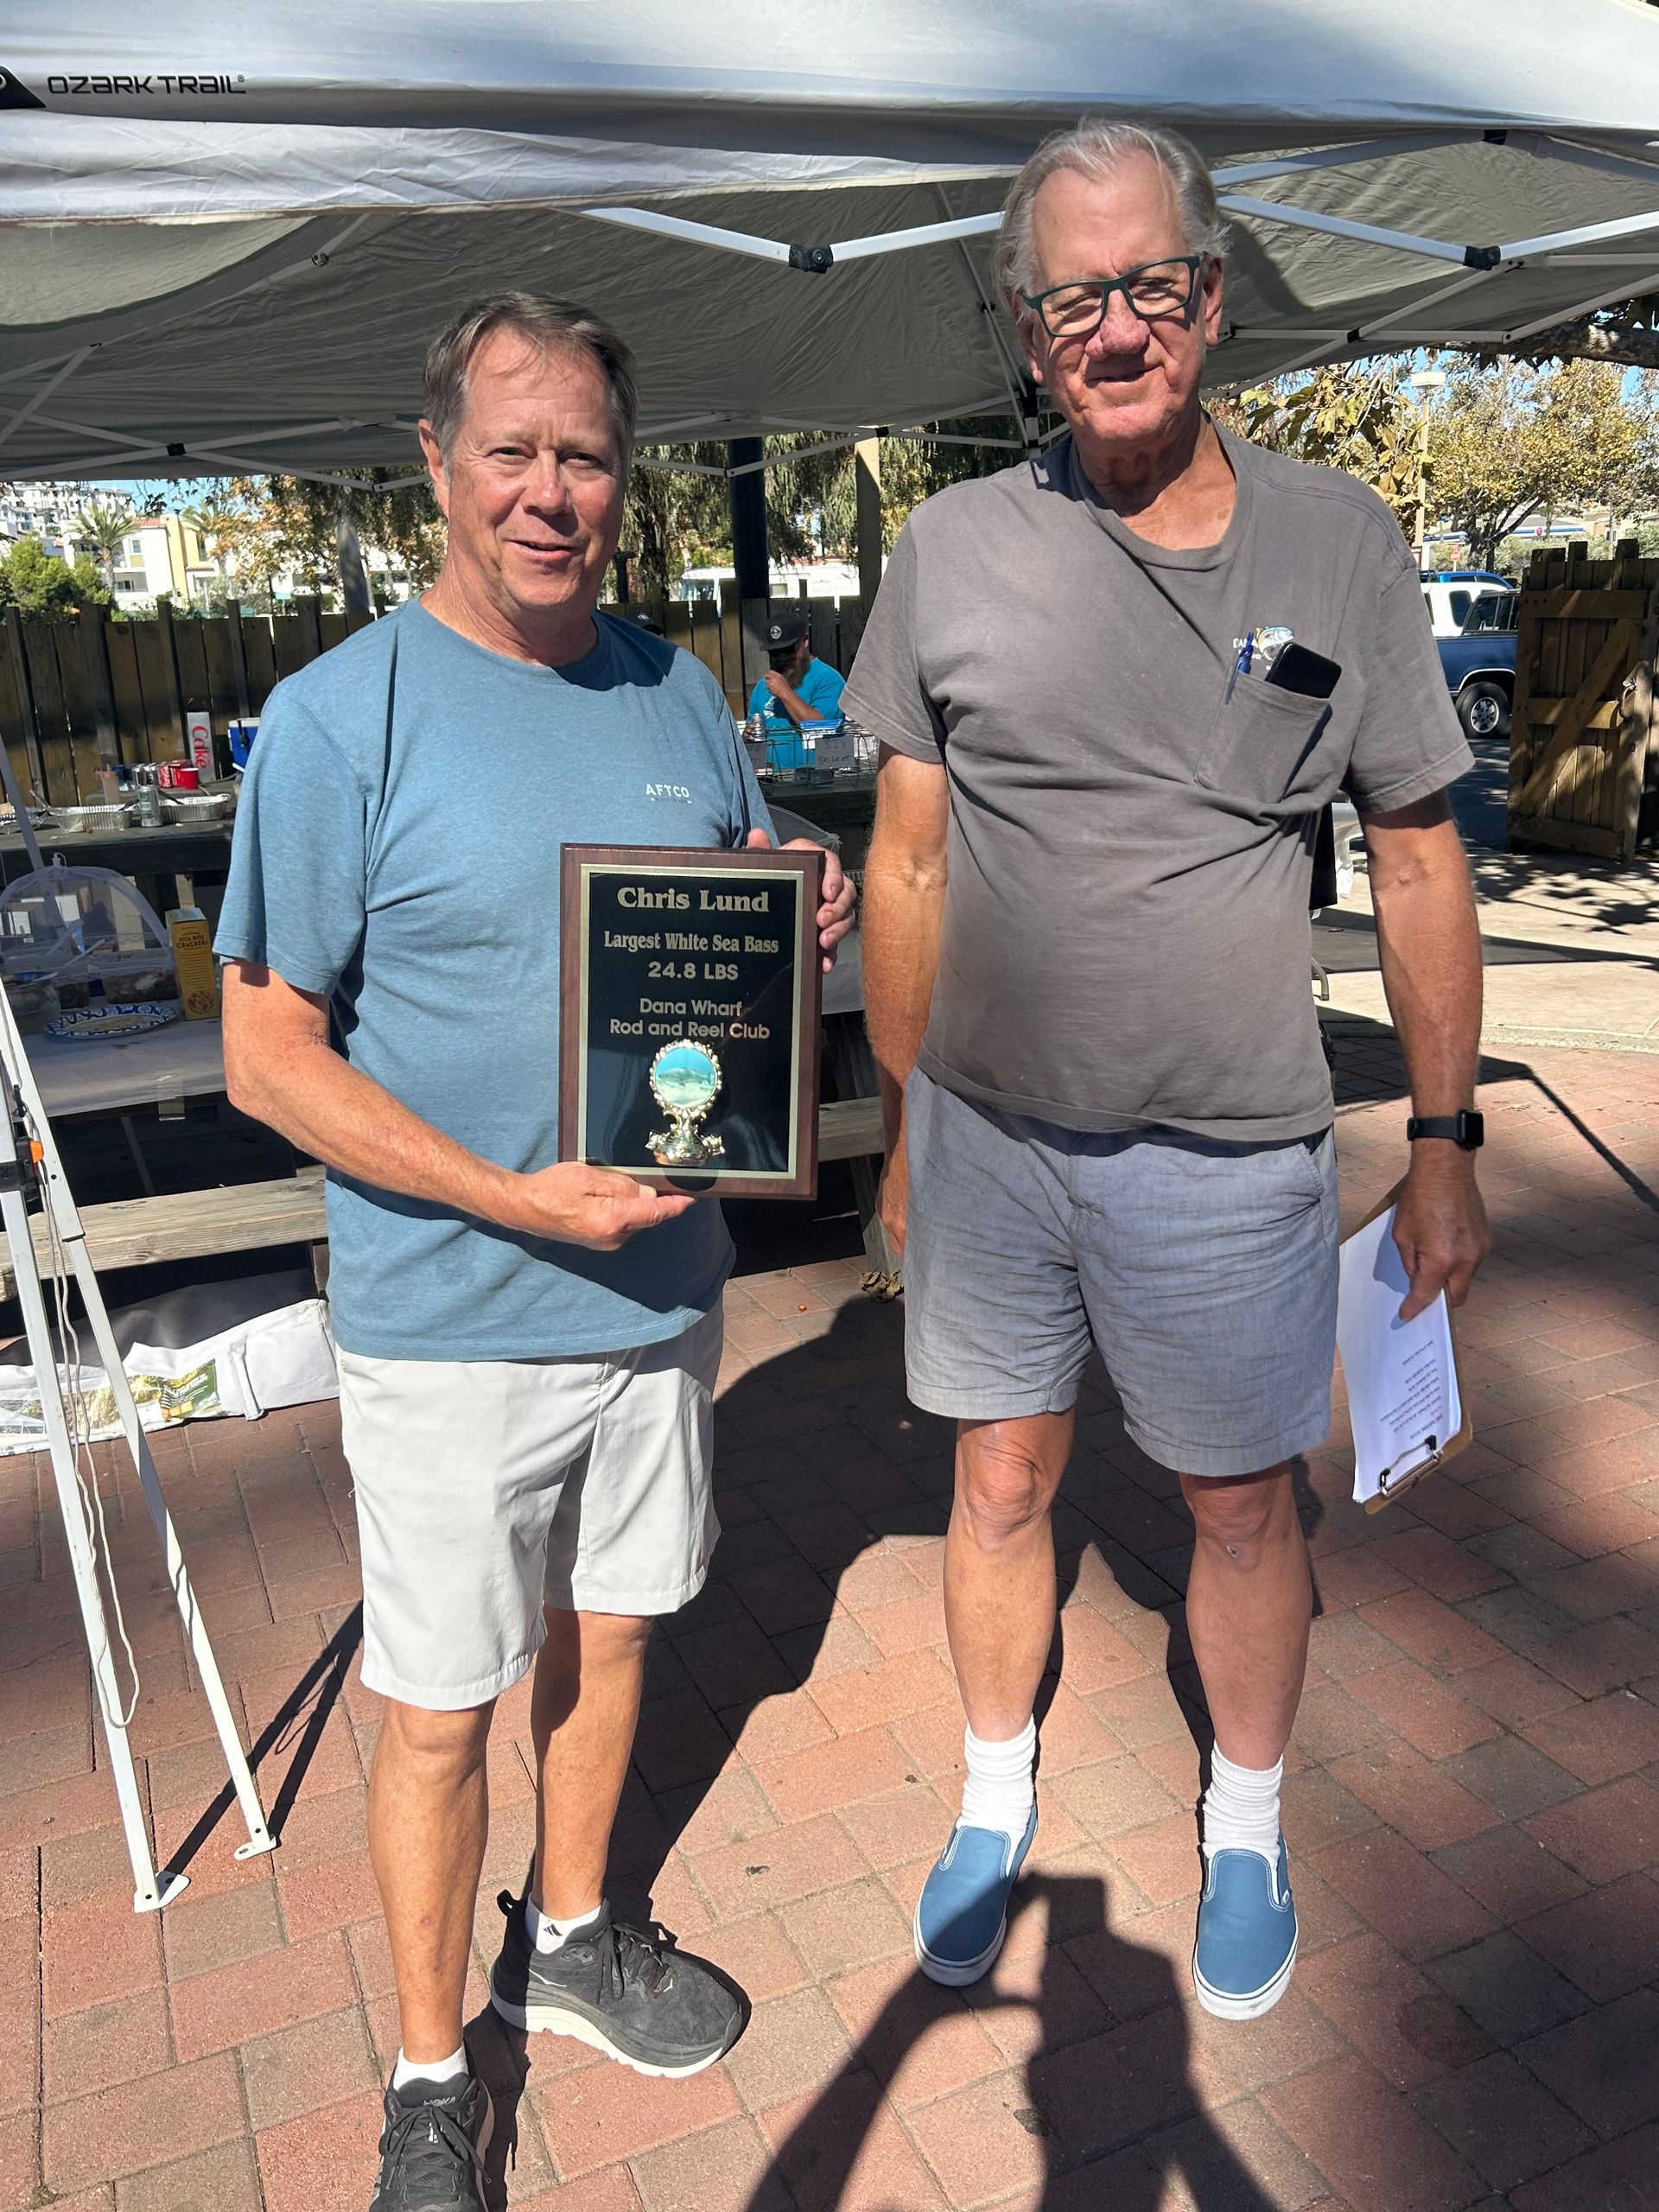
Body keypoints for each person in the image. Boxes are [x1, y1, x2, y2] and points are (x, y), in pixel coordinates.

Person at [216, 292, 855, 2212]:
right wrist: (512, 1195)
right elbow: (265, 1051)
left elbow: (727, 933)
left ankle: (569, 1935)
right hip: (449, 1318)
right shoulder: (342, 718)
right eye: (513, 450)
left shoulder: (675, 690)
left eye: (584, 452)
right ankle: (429, 2069)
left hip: (658, 1294)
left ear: (620, 473)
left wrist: (796, 902)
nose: (550, 491)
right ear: (438, 464)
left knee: (617, 1625)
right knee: (438, 1705)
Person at [853, 121, 1488, 2021]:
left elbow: (1424, 853)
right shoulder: (953, 544)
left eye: (1149, 285)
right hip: (988, 1140)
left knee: (1237, 1502)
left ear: (1210, 297)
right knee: (998, 1476)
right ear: (1024, 328)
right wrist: (899, 1131)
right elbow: (905, 853)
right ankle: (989, 1794)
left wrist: (1444, 1139)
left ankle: (1248, 1813)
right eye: (1071, 297)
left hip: (1227, 1152)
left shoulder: (1336, 542)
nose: (1114, 326)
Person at [745, 604, 847, 755]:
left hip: (817, 775)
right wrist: (747, 736)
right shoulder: (762, 687)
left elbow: (820, 728)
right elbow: (753, 737)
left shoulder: (828, 679)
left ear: (805, 641)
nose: (782, 657)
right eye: (775, 652)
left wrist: (784, 692)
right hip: (772, 775)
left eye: (788, 650)